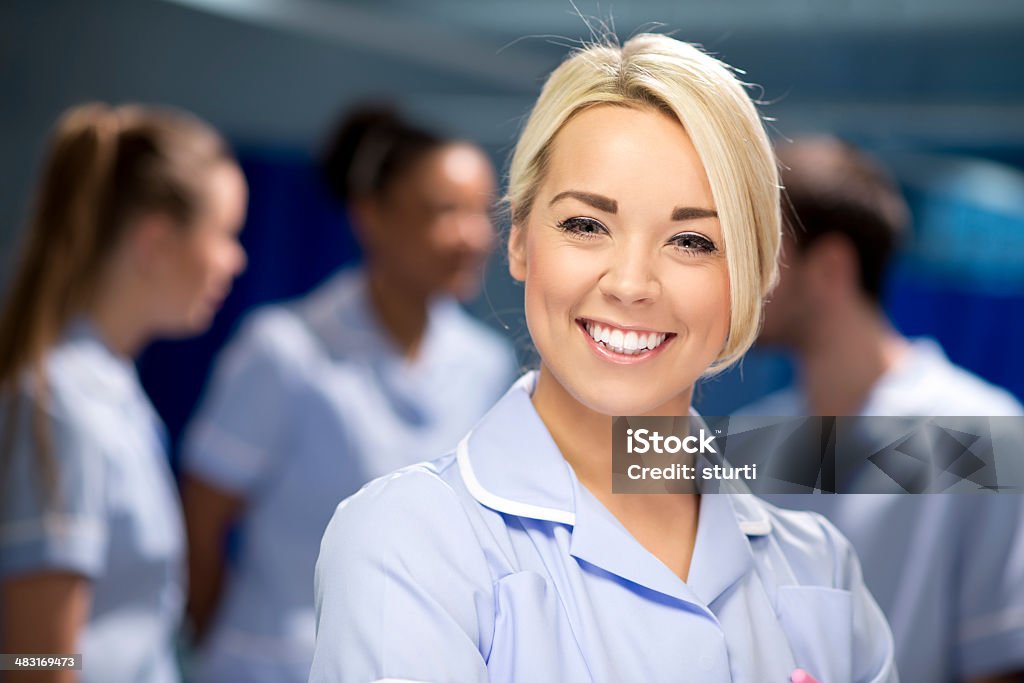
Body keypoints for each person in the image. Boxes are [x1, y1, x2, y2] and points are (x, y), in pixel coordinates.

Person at [309, 36, 896, 683]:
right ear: (521, 241)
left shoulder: (820, 568)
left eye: (692, 240)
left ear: (752, 276)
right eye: (587, 225)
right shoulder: (409, 540)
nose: (630, 284)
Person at [180, 106, 518, 683]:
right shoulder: (284, 351)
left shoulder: (487, 364)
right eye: (445, 211)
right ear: (371, 217)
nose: (473, 236)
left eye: (481, 213)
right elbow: (200, 520)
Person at [741, 136, 1024, 682]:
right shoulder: (754, 445)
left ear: (829, 267)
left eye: (757, 250)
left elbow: (1006, 660)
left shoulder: (983, 434)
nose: (730, 278)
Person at [0, 103, 248, 682]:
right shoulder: (64, 404)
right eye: (225, 235)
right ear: (156, 242)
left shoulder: (112, 394)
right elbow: (33, 661)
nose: (235, 260)